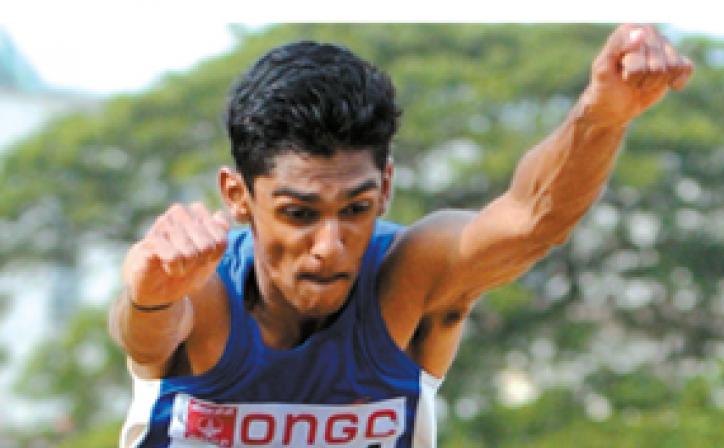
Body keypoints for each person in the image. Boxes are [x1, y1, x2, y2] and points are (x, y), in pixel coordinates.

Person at [109, 24, 693, 447]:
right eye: (299, 213)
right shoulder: (202, 290)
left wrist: (603, 115)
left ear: (386, 187)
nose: (331, 246)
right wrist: (151, 292)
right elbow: (144, 334)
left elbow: (533, 220)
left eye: (356, 208)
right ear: (238, 196)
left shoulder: (408, 280)